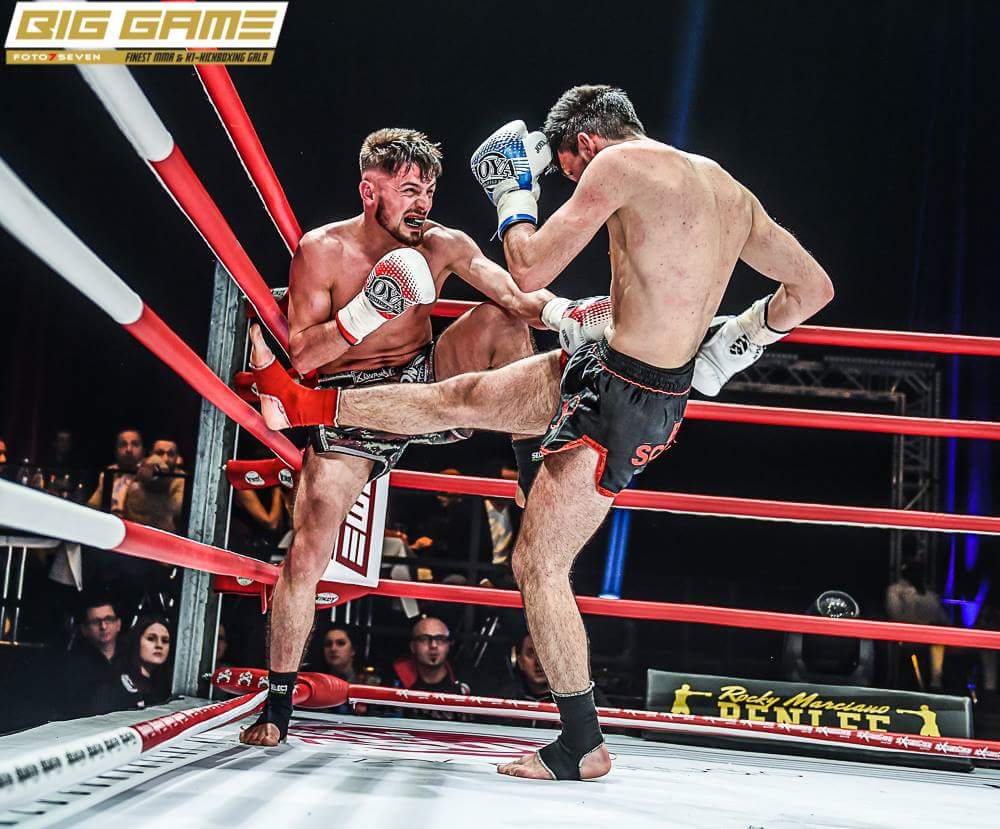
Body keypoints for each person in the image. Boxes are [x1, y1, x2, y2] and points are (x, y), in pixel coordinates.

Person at [251, 86, 834, 778]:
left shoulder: (613, 164)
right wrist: (733, 344)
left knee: (537, 564)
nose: (573, 183)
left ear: (584, 144)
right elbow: (814, 288)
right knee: (458, 399)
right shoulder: (728, 189)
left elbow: (523, 269)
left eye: (567, 169)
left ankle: (581, 743)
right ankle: (338, 424)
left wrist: (513, 195)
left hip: (622, 397)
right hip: (623, 376)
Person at [239, 127, 558, 748]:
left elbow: (517, 299)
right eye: (409, 190)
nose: (423, 203)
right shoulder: (322, 250)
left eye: (429, 190)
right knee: (307, 551)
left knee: (500, 319)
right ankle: (277, 706)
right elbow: (303, 357)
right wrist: (366, 312)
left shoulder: (443, 243)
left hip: (423, 384)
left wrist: (570, 316)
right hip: (348, 405)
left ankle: (528, 465)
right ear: (370, 192)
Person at [391, 616, 471, 719]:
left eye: (440, 639)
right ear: (413, 647)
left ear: (448, 646)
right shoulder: (395, 681)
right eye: (424, 639)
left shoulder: (465, 685)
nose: (433, 645)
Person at [58, 596, 123, 719]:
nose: (103, 626)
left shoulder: (133, 658)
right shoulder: (73, 666)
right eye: (95, 622)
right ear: (84, 630)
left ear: (118, 624)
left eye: (108, 619)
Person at [123, 439, 186, 533]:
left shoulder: (181, 480)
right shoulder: (138, 474)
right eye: (160, 453)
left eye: (171, 454)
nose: (165, 459)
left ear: (177, 458)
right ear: (151, 454)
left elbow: (177, 512)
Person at [87, 429, 144, 516]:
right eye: (123, 445)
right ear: (116, 450)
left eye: (135, 444)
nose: (129, 449)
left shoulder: (150, 475)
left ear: (143, 450)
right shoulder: (110, 472)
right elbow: (92, 506)